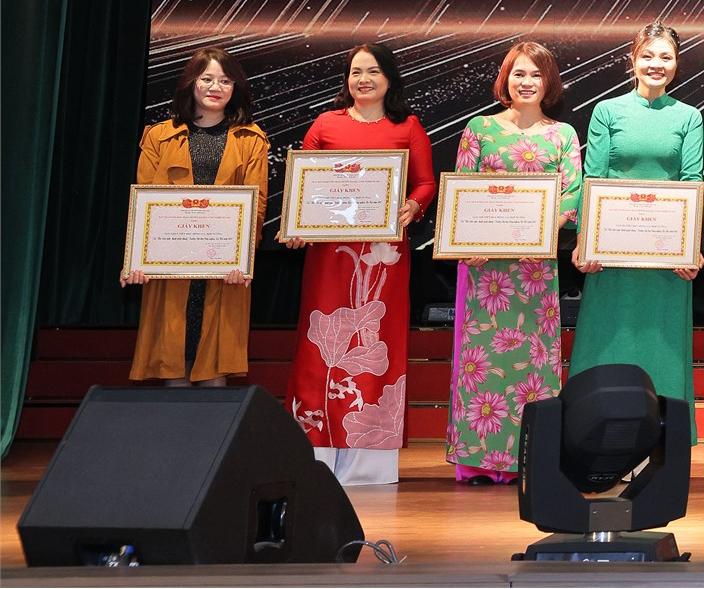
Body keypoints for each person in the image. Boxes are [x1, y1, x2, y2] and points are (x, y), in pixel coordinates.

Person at [284, 42, 435, 485]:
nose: (363, 79)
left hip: (382, 257)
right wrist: (296, 221)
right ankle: (313, 455)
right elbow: (303, 183)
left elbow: (425, 183)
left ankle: (369, 463)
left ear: (389, 78)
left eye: (372, 71)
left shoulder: (407, 126)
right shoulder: (325, 124)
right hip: (328, 253)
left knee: (375, 340)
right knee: (320, 344)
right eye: (355, 72)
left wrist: (413, 206)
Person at [444, 41, 585, 483]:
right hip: (484, 266)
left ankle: (531, 458)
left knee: (533, 364)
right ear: (505, 79)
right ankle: (476, 460)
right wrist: (466, 241)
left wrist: (542, 230)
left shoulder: (562, 135)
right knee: (480, 362)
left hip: (534, 269)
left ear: (549, 82)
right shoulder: (480, 129)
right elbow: (462, 190)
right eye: (518, 74)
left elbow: (573, 194)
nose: (526, 82)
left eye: (536, 74)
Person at [571, 24, 704, 441]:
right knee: (607, 346)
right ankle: (593, 439)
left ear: (676, 64)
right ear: (633, 60)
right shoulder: (607, 112)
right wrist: (584, 242)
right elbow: (593, 177)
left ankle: (664, 444)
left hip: (665, 261)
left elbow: (692, 181)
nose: (656, 64)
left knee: (663, 351)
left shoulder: (689, 116)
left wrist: (691, 248)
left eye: (665, 57)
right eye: (647, 55)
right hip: (611, 256)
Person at [124, 47, 271, 387]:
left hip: (224, 271)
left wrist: (243, 260)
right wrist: (136, 259)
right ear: (191, 83)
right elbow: (144, 202)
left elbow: (257, 206)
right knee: (173, 364)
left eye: (225, 80)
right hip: (170, 268)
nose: (215, 87)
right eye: (207, 79)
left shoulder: (251, 139)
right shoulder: (159, 136)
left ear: (235, 88)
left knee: (214, 369)